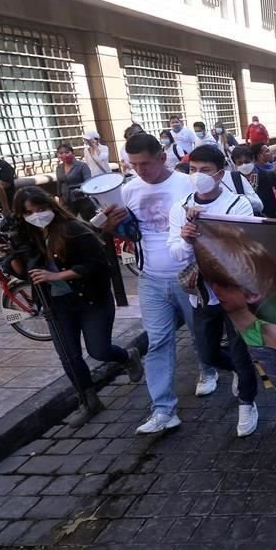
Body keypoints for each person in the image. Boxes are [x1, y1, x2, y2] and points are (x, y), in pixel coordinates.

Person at [99, 133, 220, 434]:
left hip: (190, 273)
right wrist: (115, 226)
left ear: (162, 157)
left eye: (146, 163)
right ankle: (163, 410)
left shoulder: (186, 183)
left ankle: (208, 369)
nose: (141, 170)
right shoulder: (128, 190)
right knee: (157, 342)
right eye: (134, 164)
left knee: (200, 335)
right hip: (151, 277)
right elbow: (132, 233)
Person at [5, 186, 143, 426]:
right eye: (29, 212)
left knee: (99, 350)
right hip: (56, 305)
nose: (37, 215)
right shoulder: (27, 235)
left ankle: (127, 356)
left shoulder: (72, 230)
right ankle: (88, 401)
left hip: (91, 299)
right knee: (69, 357)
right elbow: (24, 273)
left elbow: (100, 265)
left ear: (50, 206)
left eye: (41, 209)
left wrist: (58, 276)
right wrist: (13, 250)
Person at [166, 145, 260, 436]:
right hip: (202, 293)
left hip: (236, 292)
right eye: (193, 169)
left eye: (205, 170)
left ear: (220, 174)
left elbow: (246, 248)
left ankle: (247, 401)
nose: (198, 176)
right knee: (206, 352)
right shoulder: (180, 207)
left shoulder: (238, 205)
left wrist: (209, 234)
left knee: (241, 348)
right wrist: (186, 238)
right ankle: (234, 370)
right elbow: (175, 254)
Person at [231, 145, 276, 218]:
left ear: (253, 160)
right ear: (235, 164)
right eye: (240, 163)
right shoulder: (235, 181)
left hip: (271, 221)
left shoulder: (269, 176)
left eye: (246, 162)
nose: (244, 165)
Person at [55, 144, 96, 220]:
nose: (64, 155)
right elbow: (59, 183)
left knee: (91, 221)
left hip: (82, 199)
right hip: (66, 201)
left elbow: (89, 182)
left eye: (67, 152)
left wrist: (80, 190)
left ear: (73, 153)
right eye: (61, 153)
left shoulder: (82, 166)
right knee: (67, 221)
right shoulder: (59, 168)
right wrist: (60, 197)